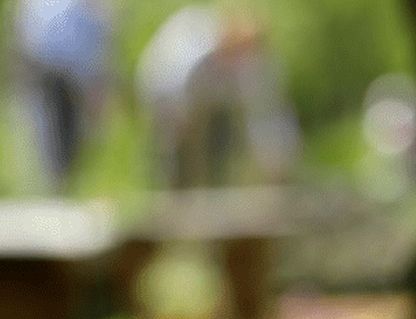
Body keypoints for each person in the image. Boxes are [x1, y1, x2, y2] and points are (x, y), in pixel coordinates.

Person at [136, 5, 301, 189]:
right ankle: (175, 193)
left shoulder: (243, 63)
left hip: (200, 101)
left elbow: (263, 115)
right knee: (176, 153)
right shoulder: (194, 56)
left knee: (221, 141)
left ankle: (211, 187)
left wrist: (275, 159)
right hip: (164, 94)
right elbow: (169, 89)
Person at [14, 0, 111, 189]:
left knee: (64, 126)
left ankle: (60, 178)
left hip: (65, 72)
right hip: (52, 68)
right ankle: (57, 178)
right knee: (54, 125)